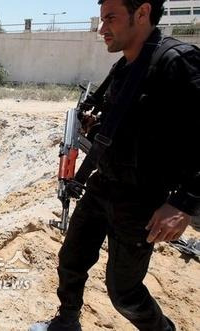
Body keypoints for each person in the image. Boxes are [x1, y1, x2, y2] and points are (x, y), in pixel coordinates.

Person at [30, 1, 199, 330]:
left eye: (111, 18)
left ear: (142, 13)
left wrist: (184, 202)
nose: (101, 28)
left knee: (124, 292)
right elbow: (131, 123)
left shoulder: (177, 62)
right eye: (101, 18)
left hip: (141, 200)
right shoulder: (123, 67)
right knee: (71, 261)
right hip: (103, 184)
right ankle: (66, 322)